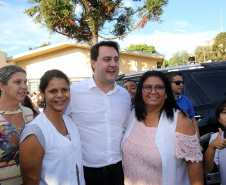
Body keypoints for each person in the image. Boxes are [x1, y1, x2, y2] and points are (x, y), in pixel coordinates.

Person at [65, 41, 131, 185]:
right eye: (107, 59)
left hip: (120, 171)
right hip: (87, 172)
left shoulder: (125, 95)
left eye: (116, 59)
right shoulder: (74, 92)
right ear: (93, 63)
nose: (113, 64)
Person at [122, 71, 203, 185]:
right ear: (141, 91)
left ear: (166, 92)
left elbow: (194, 164)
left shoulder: (179, 120)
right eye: (147, 87)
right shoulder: (132, 113)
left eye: (159, 87)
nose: (153, 91)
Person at [19, 69, 85, 185]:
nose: (60, 95)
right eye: (53, 91)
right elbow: (30, 181)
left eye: (64, 90)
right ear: (42, 94)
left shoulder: (70, 122)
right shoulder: (35, 133)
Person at [0, 65, 33, 184]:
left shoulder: (29, 113)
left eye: (25, 82)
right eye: (17, 82)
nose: (24, 86)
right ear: (1, 86)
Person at [167, 72, 201, 142]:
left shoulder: (186, 100)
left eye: (182, 82)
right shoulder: (161, 101)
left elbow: (193, 121)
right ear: (168, 84)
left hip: (185, 140)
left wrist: (198, 142)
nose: (181, 85)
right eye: (177, 83)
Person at [203, 99, 226, 185]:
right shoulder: (216, 138)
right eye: (224, 112)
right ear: (219, 119)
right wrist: (212, 146)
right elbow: (206, 169)